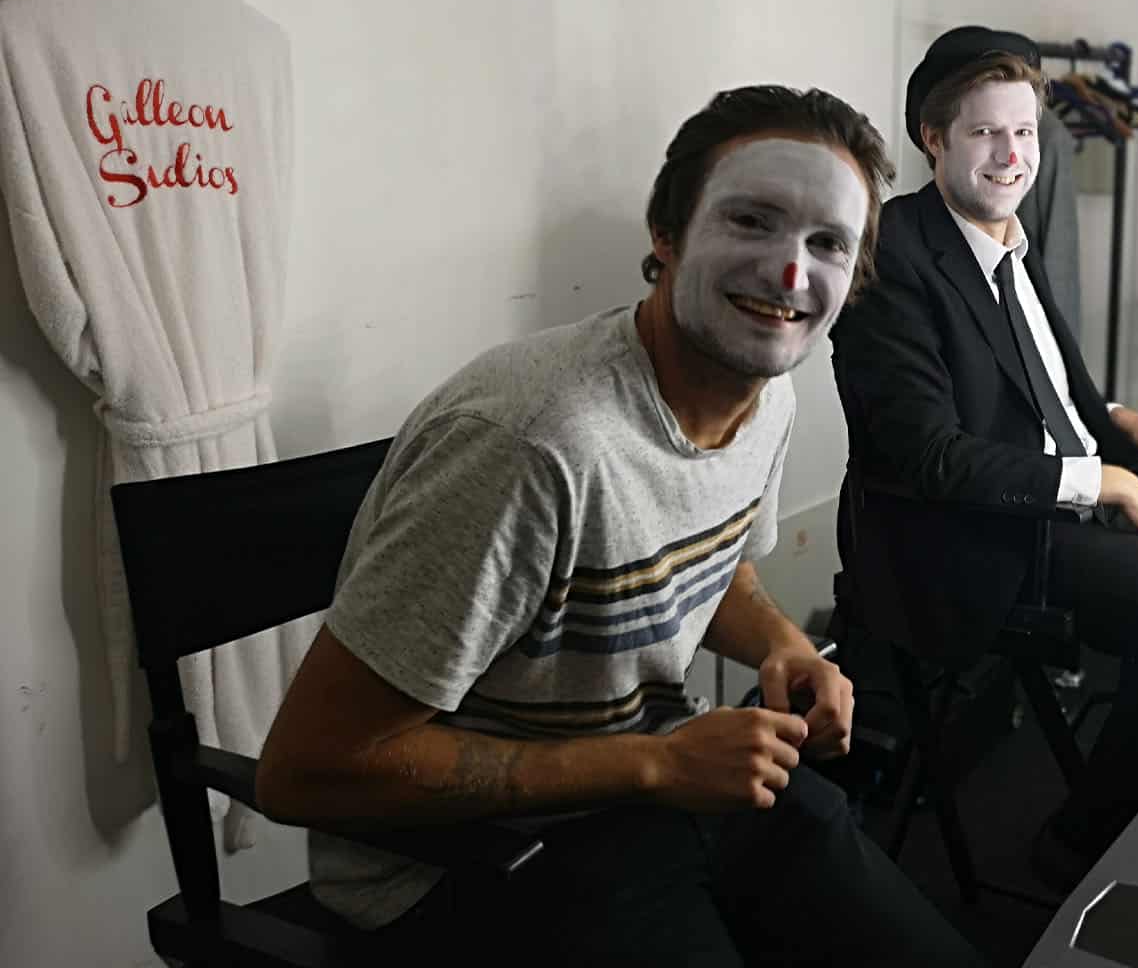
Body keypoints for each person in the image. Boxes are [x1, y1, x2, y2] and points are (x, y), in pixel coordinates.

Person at [257, 85, 984, 967]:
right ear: (667, 235)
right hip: (465, 866)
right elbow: (306, 769)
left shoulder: (769, 396)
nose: (792, 274)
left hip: (649, 795)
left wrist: (783, 648)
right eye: (752, 221)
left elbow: (707, 571)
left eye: (828, 244)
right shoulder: (531, 446)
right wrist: (655, 766)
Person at [830, 27, 1138, 887]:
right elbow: (933, 460)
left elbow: (1034, 383)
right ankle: (1088, 835)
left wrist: (1118, 422)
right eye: (985, 132)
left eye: (1022, 132)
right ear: (933, 137)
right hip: (968, 535)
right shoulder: (892, 257)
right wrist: (1109, 482)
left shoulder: (1009, 237)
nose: (1011, 153)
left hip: (1062, 487)